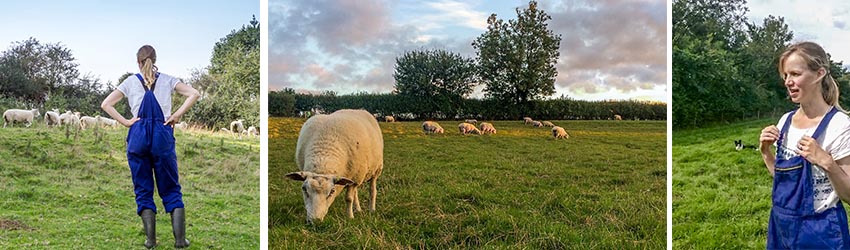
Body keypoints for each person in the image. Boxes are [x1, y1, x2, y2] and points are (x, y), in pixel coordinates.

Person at [101, 45, 201, 248]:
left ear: (138, 62)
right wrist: (176, 115)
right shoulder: (167, 80)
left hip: (138, 135)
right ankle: (180, 240)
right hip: (162, 134)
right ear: (155, 60)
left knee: (143, 188)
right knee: (171, 187)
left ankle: (150, 240)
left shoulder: (129, 82)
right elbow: (194, 94)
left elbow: (106, 104)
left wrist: (127, 122)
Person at [759, 41, 850, 249]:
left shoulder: (839, 126)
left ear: (819, 74)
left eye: (795, 74)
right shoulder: (785, 121)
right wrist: (765, 152)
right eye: (785, 76)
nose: (788, 82)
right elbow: (787, 182)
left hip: (821, 232)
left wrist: (827, 162)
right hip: (781, 226)